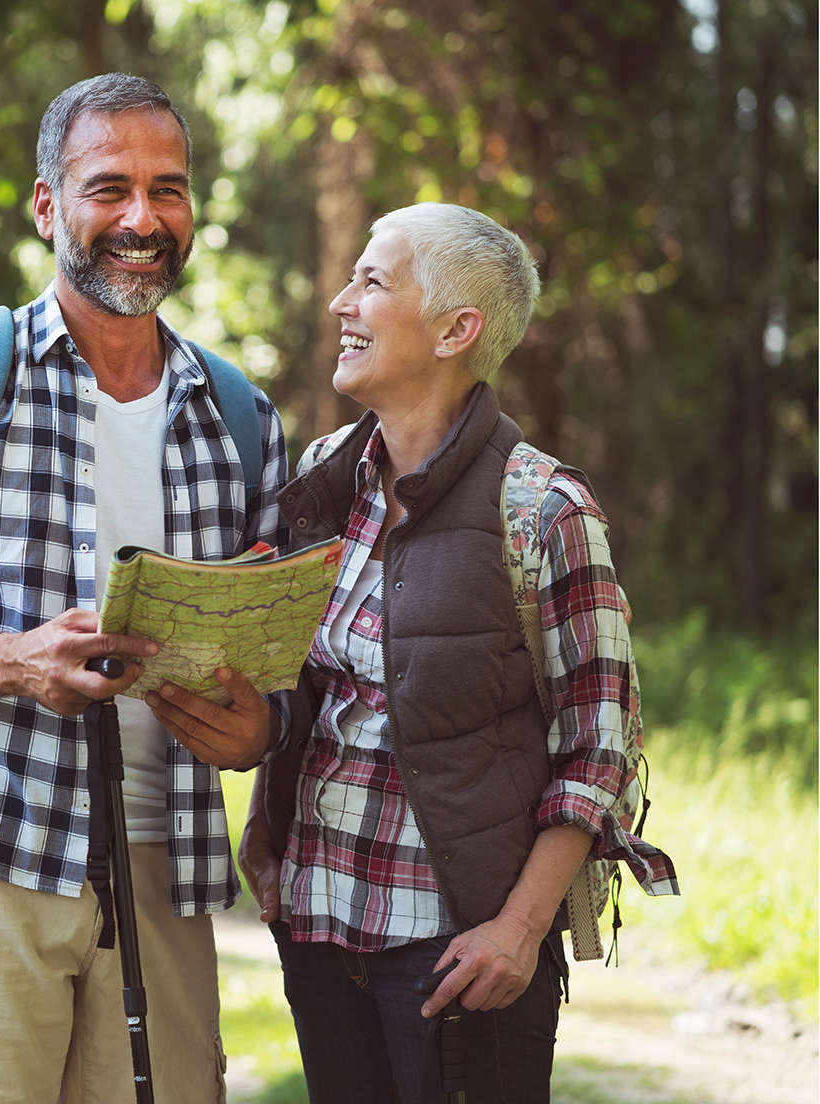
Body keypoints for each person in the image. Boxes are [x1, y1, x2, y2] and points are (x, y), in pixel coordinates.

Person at [0, 73, 291, 1104]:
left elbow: (275, 674)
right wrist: (12, 660)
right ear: (46, 206)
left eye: (166, 190)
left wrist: (255, 732)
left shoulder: (241, 417)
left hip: (159, 858)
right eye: (107, 188)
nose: (141, 218)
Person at [238, 202, 678, 1103]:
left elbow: (599, 752)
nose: (340, 303)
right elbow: (312, 684)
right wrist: (266, 831)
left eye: (373, 281)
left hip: (460, 955)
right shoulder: (330, 475)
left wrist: (519, 930)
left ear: (456, 330)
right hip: (320, 930)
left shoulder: (544, 510)